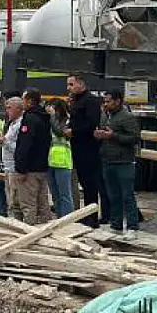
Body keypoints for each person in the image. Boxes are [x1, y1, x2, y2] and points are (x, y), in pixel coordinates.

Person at [66, 74, 110, 227]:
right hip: (78, 147)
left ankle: (92, 217)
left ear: (81, 83)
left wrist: (73, 131)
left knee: (90, 184)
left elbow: (91, 124)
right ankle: (87, 214)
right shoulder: (77, 101)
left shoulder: (90, 101)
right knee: (84, 184)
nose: (69, 88)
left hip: (88, 148)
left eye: (71, 84)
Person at [98, 89, 142, 236]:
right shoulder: (105, 116)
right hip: (108, 160)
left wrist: (113, 135)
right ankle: (116, 225)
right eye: (104, 101)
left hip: (124, 162)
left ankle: (132, 227)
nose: (106, 104)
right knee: (113, 195)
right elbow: (104, 134)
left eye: (108, 101)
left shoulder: (127, 117)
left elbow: (135, 138)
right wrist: (99, 135)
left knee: (127, 195)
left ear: (117, 101)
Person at [13, 89, 53, 225]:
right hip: (42, 167)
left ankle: (30, 231)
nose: (22, 102)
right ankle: (47, 229)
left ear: (30, 101)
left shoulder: (29, 118)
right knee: (43, 203)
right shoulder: (44, 117)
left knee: (28, 204)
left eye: (23, 99)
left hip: (29, 170)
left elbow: (25, 144)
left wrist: (21, 168)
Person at [47, 98, 75, 218]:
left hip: (63, 161)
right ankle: (59, 218)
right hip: (50, 161)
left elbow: (59, 132)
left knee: (65, 195)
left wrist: (52, 116)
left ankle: (67, 221)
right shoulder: (51, 121)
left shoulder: (68, 120)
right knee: (55, 195)